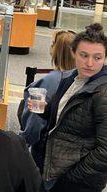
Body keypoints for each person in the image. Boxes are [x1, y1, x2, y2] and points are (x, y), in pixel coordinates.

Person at [35, 24, 107, 192]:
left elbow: (105, 151)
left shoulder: (103, 92)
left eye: (97, 58)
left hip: (75, 182)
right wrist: (45, 109)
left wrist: (71, 178)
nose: (90, 63)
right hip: (54, 171)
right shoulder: (71, 78)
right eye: (84, 55)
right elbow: (64, 117)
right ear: (73, 53)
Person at [20, 30, 76, 169]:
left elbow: (33, 126)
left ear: (56, 50)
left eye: (52, 44)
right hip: (70, 153)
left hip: (45, 152)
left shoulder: (47, 83)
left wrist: (20, 145)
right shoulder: (81, 81)